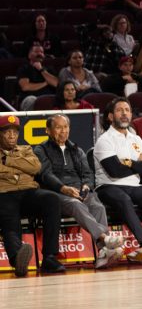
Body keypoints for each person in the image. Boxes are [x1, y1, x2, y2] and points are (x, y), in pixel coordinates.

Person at [35, 114, 125, 268]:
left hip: (79, 189)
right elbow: (45, 175)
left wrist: (86, 186)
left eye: (65, 127)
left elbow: (87, 173)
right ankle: (104, 238)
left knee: (98, 206)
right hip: (56, 192)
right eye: (58, 127)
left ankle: (103, 252)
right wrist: (63, 188)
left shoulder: (76, 149)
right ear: (48, 130)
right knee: (76, 205)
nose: (63, 131)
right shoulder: (40, 150)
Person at [94, 98, 142, 263]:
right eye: (120, 110)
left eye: (127, 110)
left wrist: (129, 162)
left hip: (133, 184)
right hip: (108, 186)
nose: (125, 113)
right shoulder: (104, 140)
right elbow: (115, 171)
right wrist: (138, 163)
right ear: (111, 116)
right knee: (124, 199)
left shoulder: (136, 139)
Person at [0, 113, 65, 276]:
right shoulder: (24, 154)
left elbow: (35, 167)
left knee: (52, 199)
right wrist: (21, 165)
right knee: (9, 217)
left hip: (29, 191)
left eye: (15, 131)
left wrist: (8, 162)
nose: (11, 135)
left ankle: (49, 257)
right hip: (4, 193)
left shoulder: (26, 149)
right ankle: (17, 260)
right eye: (6, 131)